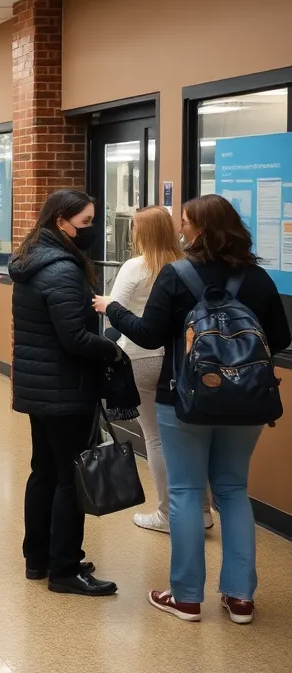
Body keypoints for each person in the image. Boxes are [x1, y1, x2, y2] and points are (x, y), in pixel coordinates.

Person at [93, 195, 291, 624]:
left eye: (185, 223)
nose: (180, 229)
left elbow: (146, 335)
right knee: (234, 492)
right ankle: (240, 598)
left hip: (183, 399)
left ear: (200, 229)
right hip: (247, 404)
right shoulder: (257, 278)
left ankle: (185, 598)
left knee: (184, 494)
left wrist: (115, 312)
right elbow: (281, 336)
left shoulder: (177, 274)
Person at [10, 189, 118, 597]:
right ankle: (65, 568)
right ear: (61, 221)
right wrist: (112, 348)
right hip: (65, 387)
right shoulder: (62, 269)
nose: (91, 230)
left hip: (42, 386)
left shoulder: (35, 259)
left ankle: (38, 558)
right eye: (86, 222)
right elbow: (74, 337)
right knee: (70, 478)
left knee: (46, 470)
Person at [105, 207, 212, 534]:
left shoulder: (136, 266)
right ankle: (203, 511)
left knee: (156, 438)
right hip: (183, 360)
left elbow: (114, 310)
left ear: (142, 233)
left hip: (141, 358)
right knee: (188, 439)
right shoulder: (189, 266)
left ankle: (167, 513)